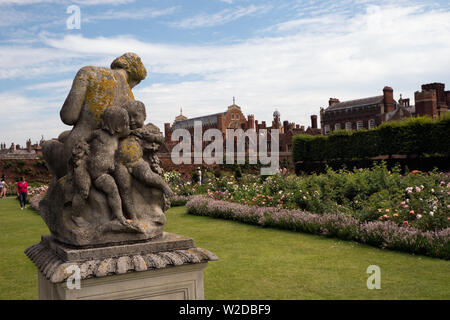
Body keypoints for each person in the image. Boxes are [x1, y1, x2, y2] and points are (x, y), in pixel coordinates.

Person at [71, 106, 131, 227]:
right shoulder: (97, 134)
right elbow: (82, 141)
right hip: (85, 169)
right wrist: (80, 151)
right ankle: (75, 215)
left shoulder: (118, 137)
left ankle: (118, 215)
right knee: (83, 191)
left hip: (101, 175)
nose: (127, 126)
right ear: (117, 125)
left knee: (113, 189)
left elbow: (131, 132)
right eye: (125, 123)